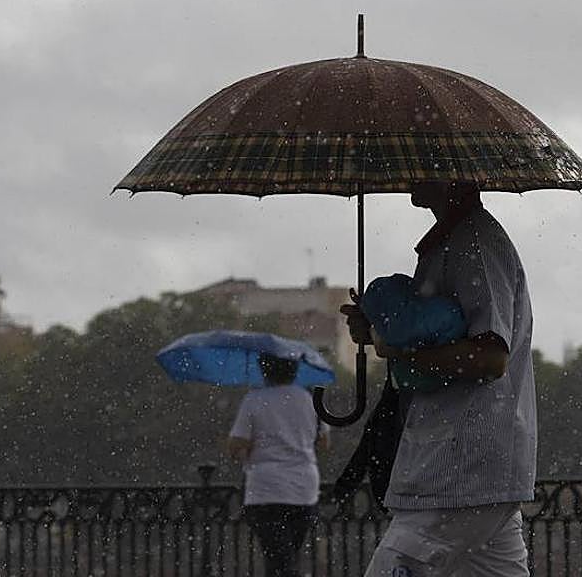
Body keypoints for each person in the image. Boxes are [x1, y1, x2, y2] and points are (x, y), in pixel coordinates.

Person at [341, 181, 536, 577]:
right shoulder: (453, 242)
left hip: (459, 469)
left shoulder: (475, 243)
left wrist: (393, 348)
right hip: (468, 468)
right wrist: (382, 328)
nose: (411, 174)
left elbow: (490, 357)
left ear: (453, 172)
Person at [227, 354, 329, 577]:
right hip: (304, 488)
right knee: (288, 554)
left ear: (264, 371)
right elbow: (323, 441)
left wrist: (252, 449)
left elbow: (237, 445)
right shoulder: (308, 398)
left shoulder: (255, 399)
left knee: (278, 559)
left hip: (266, 489)